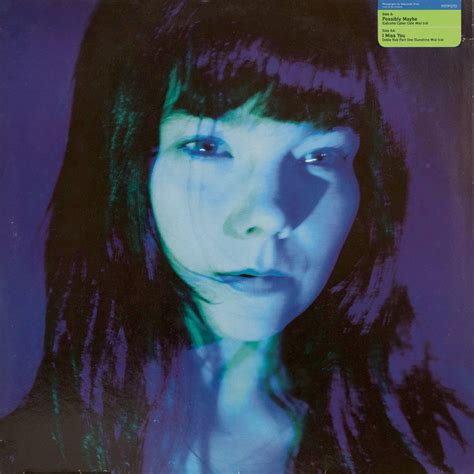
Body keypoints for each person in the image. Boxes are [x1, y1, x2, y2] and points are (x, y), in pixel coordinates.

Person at [0, 0, 472, 472]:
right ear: (129, 164)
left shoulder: (440, 449)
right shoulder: (27, 453)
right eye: (207, 147)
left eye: (320, 156)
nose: (268, 214)